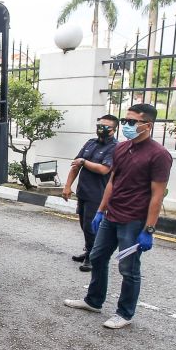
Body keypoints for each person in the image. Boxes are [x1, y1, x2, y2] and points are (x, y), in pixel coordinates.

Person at [64, 103, 172, 329]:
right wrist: (101, 210)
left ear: (147, 125)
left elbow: (157, 195)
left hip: (134, 220)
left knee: (128, 268)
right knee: (97, 257)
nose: (127, 126)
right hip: (111, 215)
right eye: (126, 121)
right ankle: (93, 301)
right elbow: (113, 182)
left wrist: (149, 229)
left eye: (132, 122)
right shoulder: (121, 149)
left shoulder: (159, 155)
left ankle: (124, 313)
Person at [61, 115, 119, 272]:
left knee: (91, 226)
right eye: (99, 125)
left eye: (106, 127)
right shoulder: (90, 143)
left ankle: (92, 258)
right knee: (83, 224)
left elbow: (104, 169)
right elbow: (75, 165)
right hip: (83, 192)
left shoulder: (115, 147)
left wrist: (84, 162)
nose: (101, 129)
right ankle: (89, 250)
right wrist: (67, 186)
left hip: (98, 194)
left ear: (114, 130)